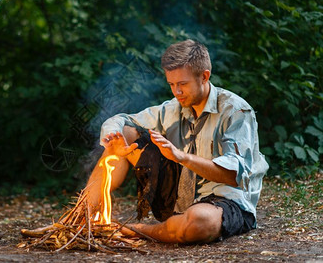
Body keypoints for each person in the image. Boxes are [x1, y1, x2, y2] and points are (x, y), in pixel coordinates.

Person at [83, 39, 269, 244]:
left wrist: (182, 157)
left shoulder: (235, 111)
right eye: (171, 84)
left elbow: (233, 175)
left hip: (224, 201)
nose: (176, 92)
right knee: (124, 133)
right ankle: (83, 215)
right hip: (177, 198)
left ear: (204, 76)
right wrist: (112, 136)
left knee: (198, 222)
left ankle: (139, 230)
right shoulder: (173, 108)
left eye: (182, 84)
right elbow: (122, 120)